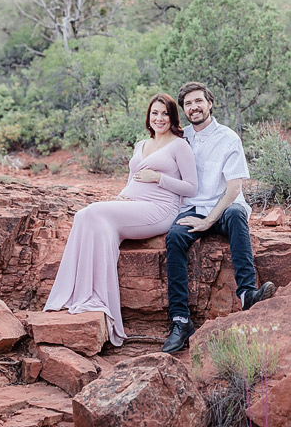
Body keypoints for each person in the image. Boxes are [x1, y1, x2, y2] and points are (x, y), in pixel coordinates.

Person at [44, 93, 197, 346]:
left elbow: (191, 187)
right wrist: (121, 198)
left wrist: (159, 179)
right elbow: (132, 179)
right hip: (132, 204)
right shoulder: (141, 144)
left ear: (173, 117)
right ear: (149, 116)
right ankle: (83, 294)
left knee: (93, 211)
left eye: (165, 114)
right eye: (155, 113)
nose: (159, 118)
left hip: (160, 209)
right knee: (84, 215)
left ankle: (99, 300)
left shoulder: (180, 145)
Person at [162, 82, 275, 353]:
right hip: (192, 208)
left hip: (224, 207)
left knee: (237, 214)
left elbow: (234, 189)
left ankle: (248, 294)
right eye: (188, 104)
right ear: (184, 110)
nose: (194, 107)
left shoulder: (228, 138)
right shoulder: (180, 138)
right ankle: (180, 321)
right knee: (174, 237)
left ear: (210, 103)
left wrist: (208, 221)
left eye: (198, 101)